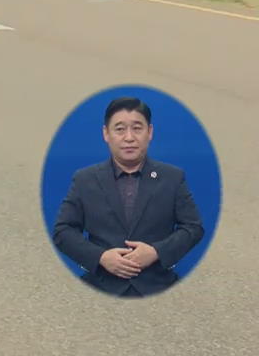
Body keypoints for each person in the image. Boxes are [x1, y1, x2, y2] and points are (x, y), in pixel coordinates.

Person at [52, 97, 205, 298]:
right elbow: (63, 231)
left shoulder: (172, 178)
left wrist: (156, 252)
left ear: (149, 132)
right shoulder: (85, 179)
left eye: (137, 128)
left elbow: (193, 228)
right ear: (106, 134)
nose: (129, 137)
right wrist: (101, 257)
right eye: (120, 129)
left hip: (159, 287)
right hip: (100, 287)